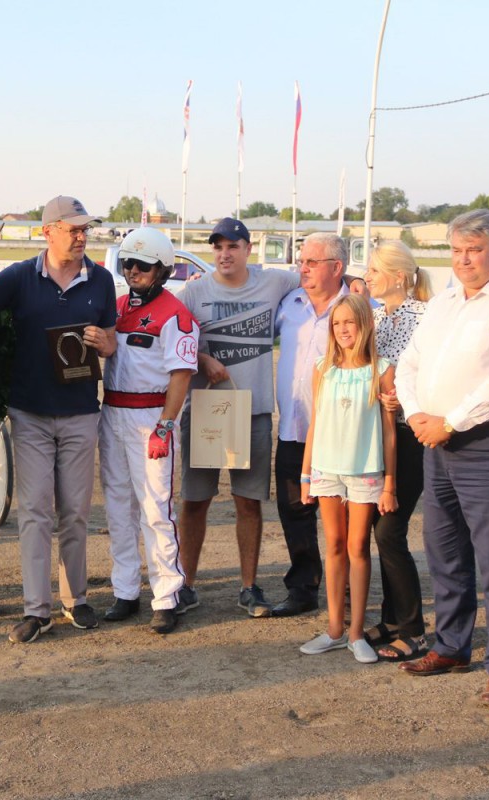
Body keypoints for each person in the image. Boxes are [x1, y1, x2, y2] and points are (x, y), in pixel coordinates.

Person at [395, 209, 489, 707]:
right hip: (434, 439)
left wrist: (451, 421)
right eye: (457, 251)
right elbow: (409, 364)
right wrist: (418, 414)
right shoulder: (443, 303)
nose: (464, 260)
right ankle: (451, 645)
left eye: (474, 250)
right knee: (445, 550)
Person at [0, 196, 117, 644]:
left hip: (80, 413)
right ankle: (37, 611)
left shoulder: (101, 280)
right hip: (30, 413)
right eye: (73, 229)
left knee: (75, 513)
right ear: (47, 232)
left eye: (84, 229)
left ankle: (76, 599)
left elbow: (112, 338)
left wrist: (105, 343)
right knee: (35, 512)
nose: (81, 237)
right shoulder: (18, 277)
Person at [178, 217, 300, 617]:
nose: (224, 254)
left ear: (249, 248)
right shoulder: (194, 292)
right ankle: (186, 586)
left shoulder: (274, 282)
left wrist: (356, 282)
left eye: (233, 246)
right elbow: (172, 340)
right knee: (195, 501)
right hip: (206, 411)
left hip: (253, 411)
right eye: (218, 247)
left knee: (248, 502)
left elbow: (319, 277)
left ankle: (249, 587)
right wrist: (202, 358)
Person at [98, 228, 198, 635]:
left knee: (156, 510)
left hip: (152, 417)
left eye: (142, 264)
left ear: (163, 270)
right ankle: (125, 591)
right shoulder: (117, 307)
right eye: (128, 263)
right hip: (112, 414)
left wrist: (166, 426)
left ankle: (167, 595)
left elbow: (181, 376)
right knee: (118, 508)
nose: (133, 270)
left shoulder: (176, 314)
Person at [298, 295, 397, 662]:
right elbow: (315, 423)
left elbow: (389, 432)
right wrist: (306, 474)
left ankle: (357, 634)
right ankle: (334, 630)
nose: (342, 329)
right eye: (336, 323)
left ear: (364, 325)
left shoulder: (381, 370)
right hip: (326, 470)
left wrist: (389, 483)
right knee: (335, 545)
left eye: (349, 322)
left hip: (365, 472)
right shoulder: (322, 368)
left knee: (358, 548)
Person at [270, 233, 348, 617]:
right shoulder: (289, 304)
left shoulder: (357, 307)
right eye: (302, 261)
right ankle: (303, 588)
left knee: (342, 516)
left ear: (337, 267)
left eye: (312, 262)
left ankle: (344, 590)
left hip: (339, 435)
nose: (303, 268)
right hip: (292, 429)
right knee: (294, 510)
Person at [363, 241, 433, 662]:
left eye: (374, 270)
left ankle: (413, 630)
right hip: (375, 432)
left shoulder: (426, 317)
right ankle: (391, 620)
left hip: (409, 435)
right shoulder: (372, 317)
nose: (367, 277)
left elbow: (432, 374)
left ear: (398, 276)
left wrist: (403, 399)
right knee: (379, 528)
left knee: (390, 530)